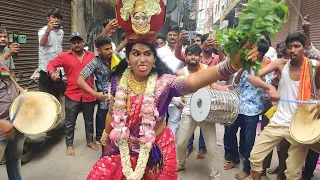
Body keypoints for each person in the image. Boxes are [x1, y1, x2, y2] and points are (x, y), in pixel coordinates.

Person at [86, 0, 259, 179]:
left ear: (155, 59)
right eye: (136, 53)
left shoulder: (165, 82)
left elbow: (192, 81)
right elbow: (112, 113)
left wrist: (231, 65)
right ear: (128, 58)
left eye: (147, 54)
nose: (142, 59)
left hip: (156, 148)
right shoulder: (117, 81)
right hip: (122, 146)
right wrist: (106, 136)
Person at [249, 32, 320, 180]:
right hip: (278, 122)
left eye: (297, 46)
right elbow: (252, 76)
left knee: (293, 173)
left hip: (301, 126)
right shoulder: (280, 64)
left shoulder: (315, 66)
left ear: (305, 48)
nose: (293, 50)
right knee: (255, 158)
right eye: (289, 47)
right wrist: (271, 88)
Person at [224, 38, 274, 180]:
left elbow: (267, 85)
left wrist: (258, 71)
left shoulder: (267, 66)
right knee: (229, 133)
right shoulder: (246, 63)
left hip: (253, 110)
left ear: (260, 53)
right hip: (238, 106)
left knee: (248, 140)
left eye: (254, 50)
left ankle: (246, 168)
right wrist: (242, 68)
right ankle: (234, 158)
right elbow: (236, 82)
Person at [47, 32, 98, 156]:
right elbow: (51, 64)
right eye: (74, 42)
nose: (77, 44)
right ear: (71, 44)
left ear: (83, 42)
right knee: (70, 122)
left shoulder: (91, 55)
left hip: (88, 93)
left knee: (89, 120)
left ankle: (90, 141)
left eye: (79, 42)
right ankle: (69, 145)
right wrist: (52, 72)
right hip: (72, 94)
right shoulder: (64, 56)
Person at [175, 44, 222, 179]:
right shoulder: (181, 73)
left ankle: (216, 176)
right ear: (186, 56)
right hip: (189, 111)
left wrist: (222, 88)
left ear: (200, 57)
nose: (193, 57)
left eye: (196, 54)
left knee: (212, 147)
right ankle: (181, 163)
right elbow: (174, 91)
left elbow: (213, 83)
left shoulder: (206, 69)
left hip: (205, 111)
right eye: (190, 54)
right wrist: (178, 101)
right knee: (181, 143)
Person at [78, 35, 120, 143]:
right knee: (103, 130)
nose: (110, 51)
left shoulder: (117, 57)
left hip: (120, 98)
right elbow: (80, 80)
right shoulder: (95, 62)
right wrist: (95, 94)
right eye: (107, 49)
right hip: (105, 101)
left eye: (111, 48)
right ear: (98, 50)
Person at [0, 56, 25, 180]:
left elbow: (7, 77)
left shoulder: (1, 60)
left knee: (14, 159)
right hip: (1, 127)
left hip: (15, 120)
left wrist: (18, 88)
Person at [38, 8, 64, 100]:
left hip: (57, 70)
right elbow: (42, 43)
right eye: (54, 17)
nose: (56, 20)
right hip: (46, 70)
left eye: (58, 18)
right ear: (48, 18)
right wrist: (48, 31)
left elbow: (59, 49)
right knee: (46, 98)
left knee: (57, 97)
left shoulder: (61, 32)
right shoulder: (42, 31)